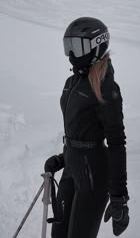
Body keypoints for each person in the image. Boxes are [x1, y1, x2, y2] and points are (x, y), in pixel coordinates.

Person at [44, 17, 130, 238]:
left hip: (94, 175)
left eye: (78, 47)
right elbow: (80, 131)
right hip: (71, 172)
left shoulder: (106, 88)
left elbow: (116, 143)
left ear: (97, 46)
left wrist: (119, 196)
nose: (72, 55)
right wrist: (63, 158)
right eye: (68, 47)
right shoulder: (71, 83)